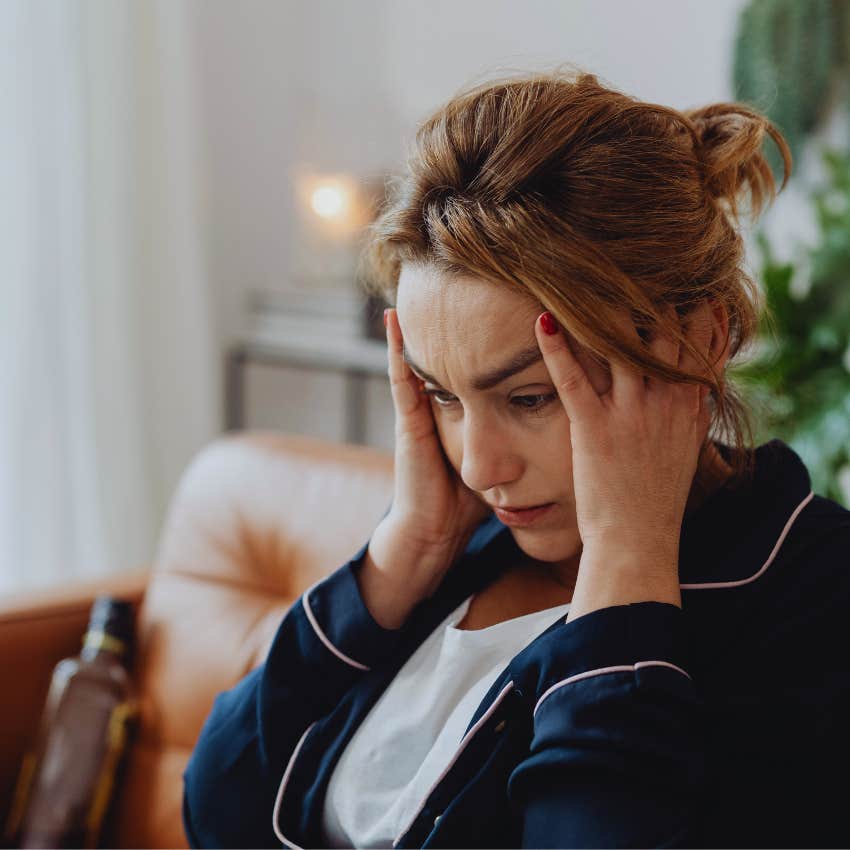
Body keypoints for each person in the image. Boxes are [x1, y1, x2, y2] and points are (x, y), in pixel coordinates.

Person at [182, 67, 850, 848]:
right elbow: (216, 808)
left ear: (697, 342)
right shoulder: (463, 550)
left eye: (529, 397)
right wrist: (404, 555)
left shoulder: (812, 600)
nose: (479, 467)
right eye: (442, 394)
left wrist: (628, 560)